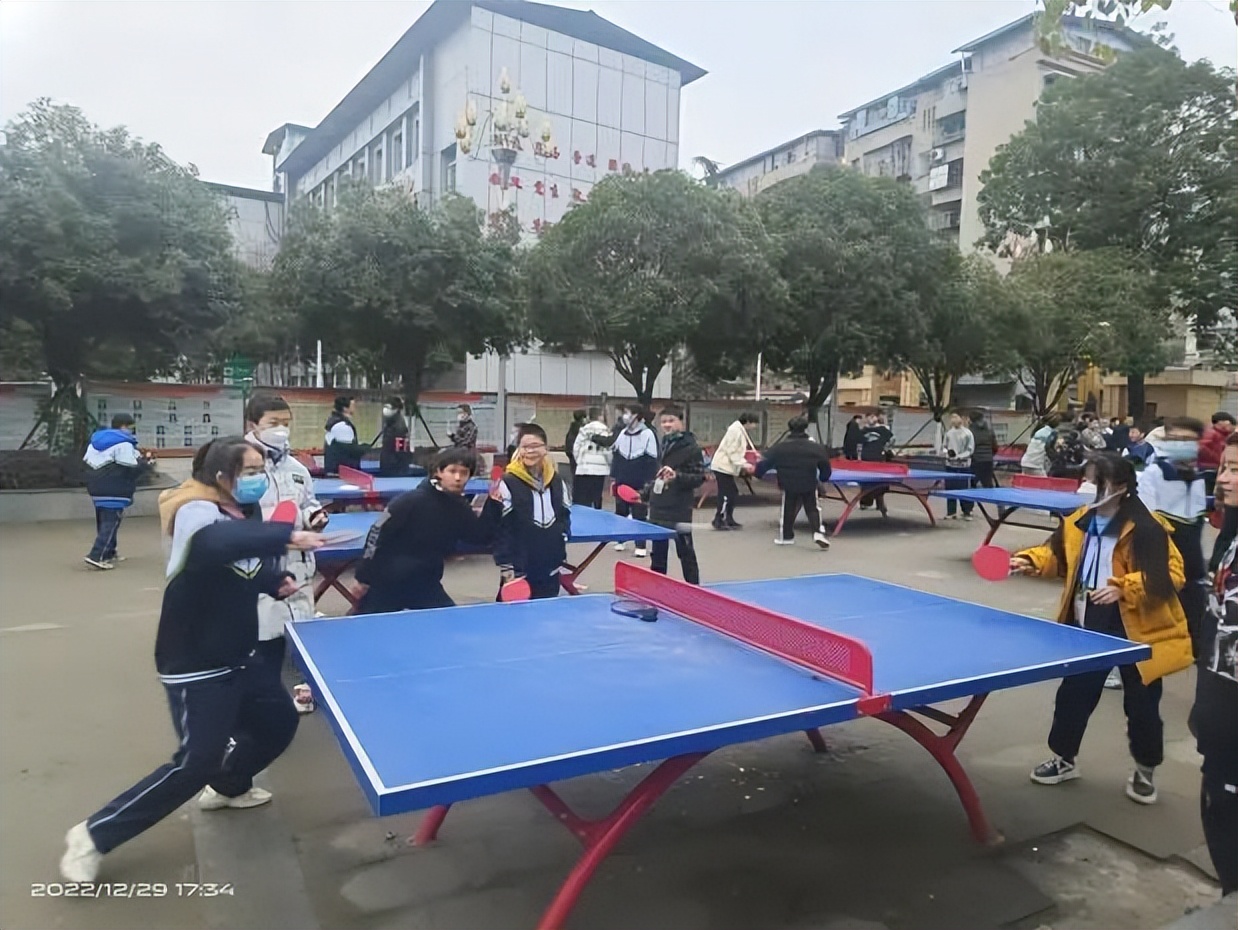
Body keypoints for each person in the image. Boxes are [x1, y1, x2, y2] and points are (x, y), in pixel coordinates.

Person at [60, 437, 325, 883]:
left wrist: (272, 581)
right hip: (195, 661)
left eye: (262, 469)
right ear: (222, 476)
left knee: (279, 722)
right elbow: (215, 545)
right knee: (195, 761)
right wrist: (287, 533)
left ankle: (229, 786)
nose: (260, 477)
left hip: (240, 653)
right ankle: (93, 834)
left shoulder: (248, 512)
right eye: (251, 470)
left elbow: (242, 567)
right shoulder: (193, 510)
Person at [1011, 453, 1192, 805]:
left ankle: (1144, 769)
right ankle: (1064, 759)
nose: (1088, 487)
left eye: (1097, 482)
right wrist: (1029, 560)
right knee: (1073, 696)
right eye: (1088, 479)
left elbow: (1173, 575)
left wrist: (1126, 586)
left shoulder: (1147, 528)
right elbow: (1057, 557)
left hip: (1139, 627)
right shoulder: (1080, 521)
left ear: (1121, 487)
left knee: (1142, 706)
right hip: (1088, 620)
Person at [244, 395, 327, 714]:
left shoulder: (296, 468)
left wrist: (314, 516)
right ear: (253, 425)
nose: (281, 430)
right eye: (273, 423)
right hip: (260, 568)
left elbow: (307, 503)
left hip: (300, 566)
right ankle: (255, 706)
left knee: (301, 632)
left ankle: (301, 690)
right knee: (264, 638)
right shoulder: (240, 464)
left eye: (286, 423)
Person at [354, 449, 502, 613]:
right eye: (452, 471)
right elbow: (377, 536)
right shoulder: (409, 501)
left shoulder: (459, 507)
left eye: (464, 473)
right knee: (367, 630)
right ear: (438, 472)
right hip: (387, 583)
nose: (458, 478)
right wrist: (363, 577)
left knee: (452, 624)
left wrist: (493, 504)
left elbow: (479, 536)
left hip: (426, 584)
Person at [1189, 431, 1237, 896]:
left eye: (1236, 469)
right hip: (1219, 710)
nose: (1222, 478)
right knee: (1218, 815)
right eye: (1224, 467)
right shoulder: (1228, 534)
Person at [1137, 417, 1209, 659]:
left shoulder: (1199, 476)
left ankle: (1191, 654)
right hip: (1163, 557)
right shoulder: (1154, 474)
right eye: (1174, 439)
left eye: (1186, 440)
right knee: (1150, 615)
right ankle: (1129, 663)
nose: (1180, 444)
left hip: (1193, 561)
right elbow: (1146, 519)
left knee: (1194, 611)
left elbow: (1197, 516)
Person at [494, 424, 572, 600]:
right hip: (519, 568)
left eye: (535, 446)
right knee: (513, 623)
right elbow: (501, 529)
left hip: (549, 564)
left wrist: (562, 538)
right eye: (525, 447)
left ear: (546, 449)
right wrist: (507, 568)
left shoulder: (557, 482)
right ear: (519, 450)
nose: (530, 451)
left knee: (547, 619)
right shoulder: (507, 482)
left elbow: (564, 515)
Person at [642, 407, 705, 584]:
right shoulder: (662, 444)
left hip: (679, 507)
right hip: (657, 506)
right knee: (658, 552)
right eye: (663, 422)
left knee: (685, 550)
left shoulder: (691, 448)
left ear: (681, 422)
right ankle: (657, 588)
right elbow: (657, 475)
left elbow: (699, 477)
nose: (667, 425)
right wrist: (645, 493)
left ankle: (694, 588)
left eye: (671, 420)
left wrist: (677, 476)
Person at [751, 416, 831, 549]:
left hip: (788, 481)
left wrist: (757, 474)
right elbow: (825, 465)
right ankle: (817, 532)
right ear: (805, 428)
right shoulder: (816, 447)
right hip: (809, 481)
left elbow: (764, 463)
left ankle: (787, 536)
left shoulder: (780, 448)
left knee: (788, 507)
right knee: (812, 508)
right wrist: (823, 478)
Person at [82, 413, 147, 570]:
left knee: (103, 521)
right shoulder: (124, 444)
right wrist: (146, 464)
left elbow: (87, 462)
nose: (133, 431)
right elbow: (131, 468)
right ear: (124, 426)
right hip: (115, 488)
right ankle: (96, 555)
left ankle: (109, 551)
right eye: (132, 428)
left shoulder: (95, 443)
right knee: (111, 522)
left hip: (96, 487)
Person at [610, 406, 659, 557]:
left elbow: (652, 461)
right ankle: (620, 540)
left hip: (640, 480)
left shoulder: (648, 434)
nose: (625, 416)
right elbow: (616, 456)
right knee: (620, 511)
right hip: (623, 478)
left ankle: (641, 545)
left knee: (639, 513)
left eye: (628, 413)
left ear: (637, 416)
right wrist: (615, 479)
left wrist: (648, 483)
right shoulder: (622, 433)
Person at [710, 412, 760, 530]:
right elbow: (731, 451)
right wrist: (744, 464)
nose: (754, 426)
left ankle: (727, 518)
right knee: (727, 494)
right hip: (723, 466)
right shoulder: (735, 431)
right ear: (747, 421)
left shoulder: (738, 430)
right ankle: (720, 519)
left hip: (726, 466)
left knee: (731, 492)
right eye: (754, 423)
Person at [571, 407, 615, 509]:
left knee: (582, 498)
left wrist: (580, 461)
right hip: (600, 470)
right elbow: (608, 450)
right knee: (596, 496)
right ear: (600, 416)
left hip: (583, 469)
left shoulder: (584, 430)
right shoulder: (606, 431)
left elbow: (576, 448)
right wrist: (608, 464)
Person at [858, 412, 894, 515]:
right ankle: (865, 501)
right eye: (869, 416)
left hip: (879, 459)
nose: (871, 418)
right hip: (866, 459)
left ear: (877, 418)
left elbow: (892, 440)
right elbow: (858, 443)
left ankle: (880, 503)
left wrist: (885, 449)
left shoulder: (883, 430)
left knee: (879, 482)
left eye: (873, 416)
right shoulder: (863, 431)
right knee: (866, 482)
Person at [943, 412, 976, 521]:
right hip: (950, 464)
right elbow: (944, 447)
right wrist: (947, 454)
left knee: (963, 488)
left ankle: (967, 511)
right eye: (951, 417)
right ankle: (951, 511)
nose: (953, 419)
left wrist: (960, 456)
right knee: (950, 488)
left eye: (955, 417)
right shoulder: (949, 433)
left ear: (961, 418)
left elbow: (970, 449)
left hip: (963, 465)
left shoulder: (967, 433)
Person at [323, 396, 367, 475]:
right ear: (345, 409)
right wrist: (365, 449)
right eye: (353, 406)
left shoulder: (334, 421)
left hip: (335, 469)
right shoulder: (342, 426)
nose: (355, 408)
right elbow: (349, 450)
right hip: (340, 472)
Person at [1199, 412, 1236, 496]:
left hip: (1214, 467)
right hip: (1209, 468)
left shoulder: (1223, 435)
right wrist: (1216, 458)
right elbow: (1202, 447)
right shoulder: (1212, 433)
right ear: (1222, 422)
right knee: (1209, 492)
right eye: (1230, 424)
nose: (1232, 427)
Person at [378, 396, 412, 477]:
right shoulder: (389, 421)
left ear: (396, 409)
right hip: (387, 462)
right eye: (385, 406)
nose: (385, 410)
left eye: (389, 407)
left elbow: (401, 451)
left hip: (395, 467)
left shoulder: (400, 427)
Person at [968, 410, 998, 490]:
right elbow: (995, 446)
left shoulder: (970, 431)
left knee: (972, 483)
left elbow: (969, 447)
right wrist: (991, 455)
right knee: (988, 484)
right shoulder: (989, 430)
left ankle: (974, 500)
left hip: (976, 459)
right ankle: (991, 500)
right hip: (988, 459)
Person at [564, 408, 587, 476]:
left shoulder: (572, 429)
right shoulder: (583, 430)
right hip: (581, 458)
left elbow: (568, 444)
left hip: (573, 456)